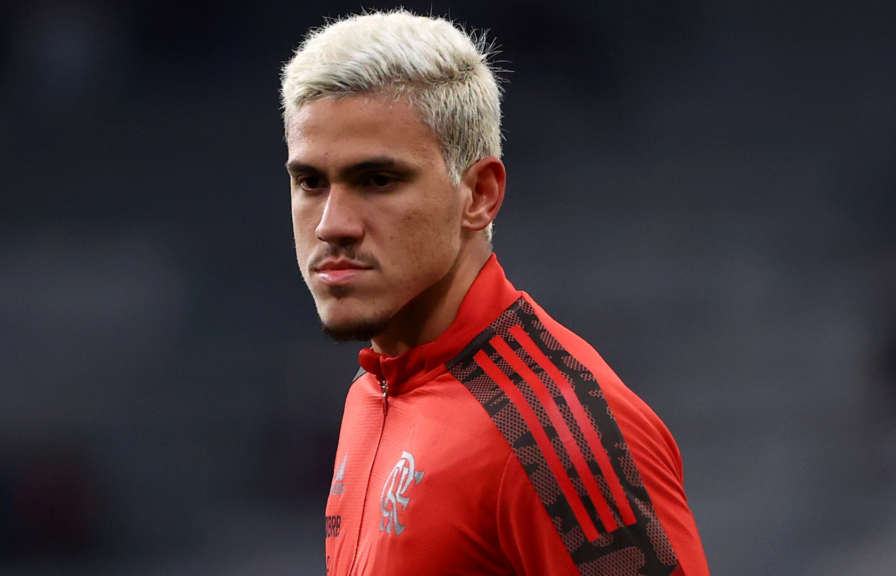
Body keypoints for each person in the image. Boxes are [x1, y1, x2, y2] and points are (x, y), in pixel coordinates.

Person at [282, 10, 709, 576]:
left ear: (480, 194)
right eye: (310, 182)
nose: (331, 225)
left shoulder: (557, 436)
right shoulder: (372, 393)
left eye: (378, 180)